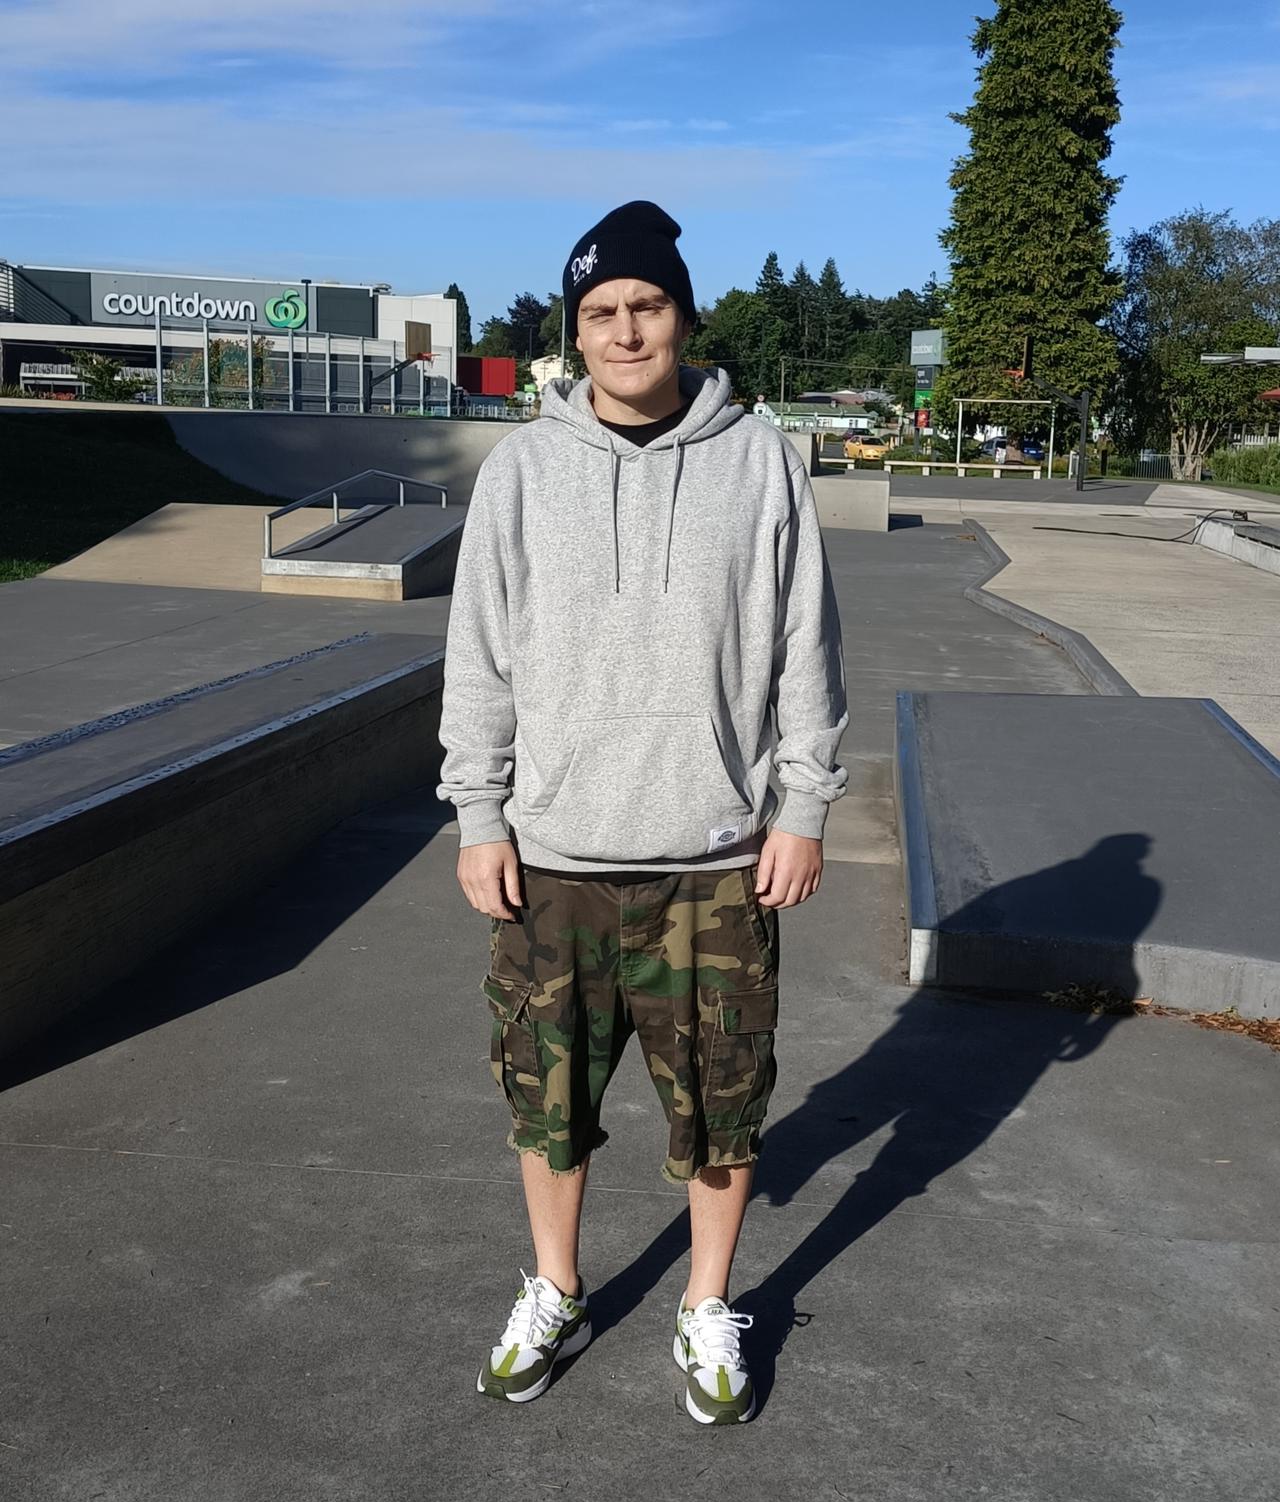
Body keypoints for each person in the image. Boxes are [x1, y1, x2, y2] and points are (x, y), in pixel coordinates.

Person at [437, 200, 848, 1425]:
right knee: (546, 1102)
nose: (624, 330)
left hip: (714, 859)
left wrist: (802, 803)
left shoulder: (759, 461)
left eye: (646, 305)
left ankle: (703, 1302)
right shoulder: (521, 472)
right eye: (601, 311)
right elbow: (478, 660)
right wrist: (478, 814)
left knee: (724, 1101)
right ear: (574, 331)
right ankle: (556, 1288)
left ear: (681, 316)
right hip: (552, 858)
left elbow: (805, 646)